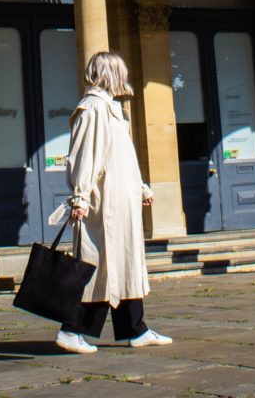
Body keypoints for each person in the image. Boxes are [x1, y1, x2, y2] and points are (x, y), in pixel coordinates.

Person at [53, 51, 172, 354]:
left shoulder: (111, 109)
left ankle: (136, 328)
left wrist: (141, 187)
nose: (125, 78)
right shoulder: (92, 109)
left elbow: (123, 157)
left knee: (125, 264)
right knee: (100, 267)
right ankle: (72, 329)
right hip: (102, 203)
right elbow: (83, 156)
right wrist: (80, 195)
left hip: (121, 200)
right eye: (121, 72)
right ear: (110, 75)